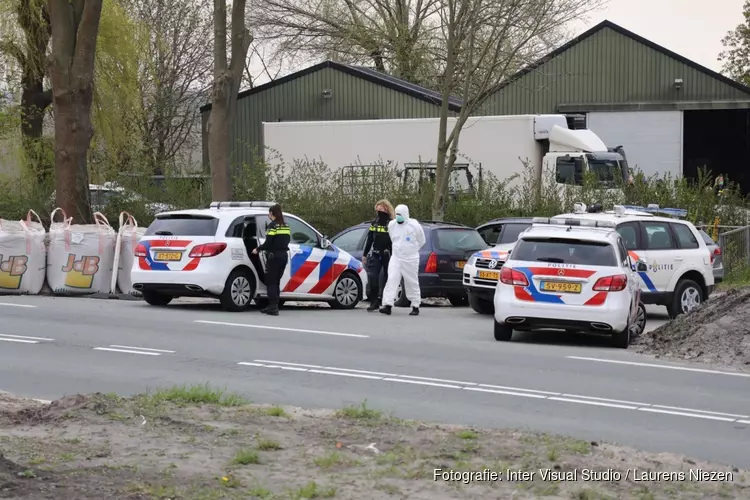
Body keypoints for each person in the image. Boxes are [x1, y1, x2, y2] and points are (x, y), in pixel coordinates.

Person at [380, 204, 425, 316]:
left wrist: (412, 250)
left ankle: (415, 305)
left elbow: (422, 241)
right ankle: (388, 305)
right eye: (397, 214)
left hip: (411, 259)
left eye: (400, 214)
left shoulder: (414, 225)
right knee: (392, 279)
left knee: (412, 282)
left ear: (405, 214)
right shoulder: (392, 225)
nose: (398, 216)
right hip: (396, 258)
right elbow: (393, 239)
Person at [252, 204, 290, 316]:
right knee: (276, 281)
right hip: (283, 256)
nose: (268, 215)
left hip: (273, 256)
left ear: (272, 214)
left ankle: (273, 308)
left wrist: (258, 249)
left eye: (269, 213)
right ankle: (274, 306)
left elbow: (268, 242)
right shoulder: (285, 226)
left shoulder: (272, 226)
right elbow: (286, 240)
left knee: (271, 282)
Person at [362, 200, 394, 312]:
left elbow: (395, 240)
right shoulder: (374, 223)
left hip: (388, 255)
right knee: (373, 278)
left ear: (386, 209)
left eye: (380, 210)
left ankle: (385, 302)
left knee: (387, 278)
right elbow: (370, 239)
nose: (378, 212)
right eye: (377, 210)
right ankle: (374, 302)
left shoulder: (391, 223)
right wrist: (365, 254)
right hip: (375, 253)